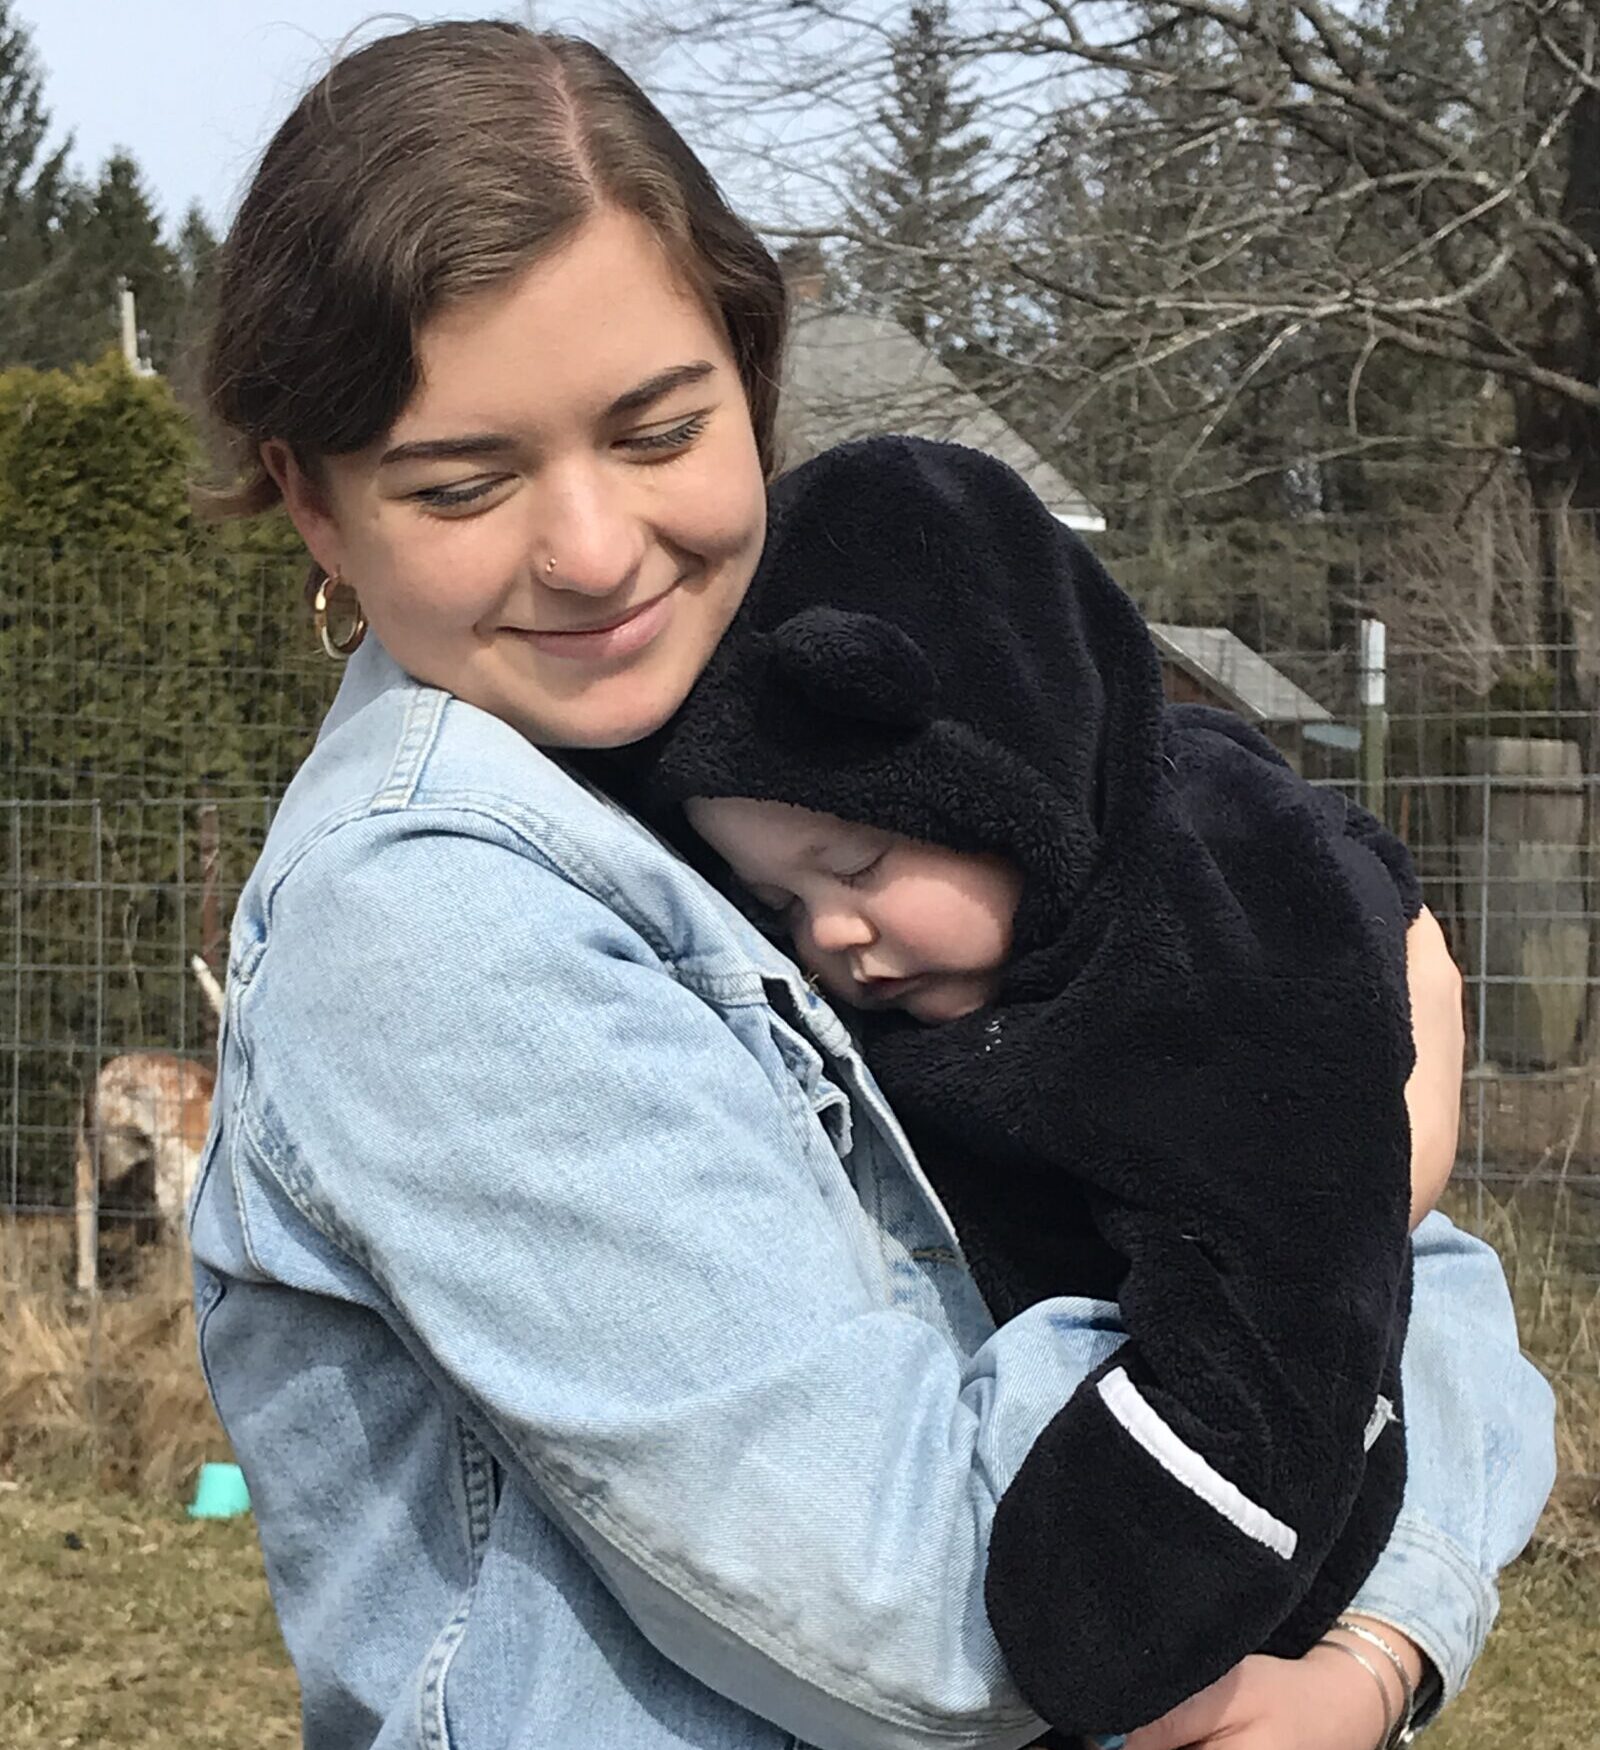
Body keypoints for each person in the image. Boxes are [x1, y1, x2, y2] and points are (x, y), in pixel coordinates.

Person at [188, 21, 1555, 1750]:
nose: (596, 551)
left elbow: (1450, 1307)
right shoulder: (432, 921)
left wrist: (1372, 1653)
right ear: (312, 503)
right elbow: (935, 1615)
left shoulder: (826, 761)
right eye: (463, 482)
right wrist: (1319, 1162)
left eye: (661, 426)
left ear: (751, 374)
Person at [632, 432, 1447, 1736]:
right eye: (782, 900)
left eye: (861, 858)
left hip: (1232, 1584)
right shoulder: (926, 997)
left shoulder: (1206, 926)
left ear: (1018, 775)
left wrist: (1146, 1563)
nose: (829, 933)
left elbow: (1285, 1272)